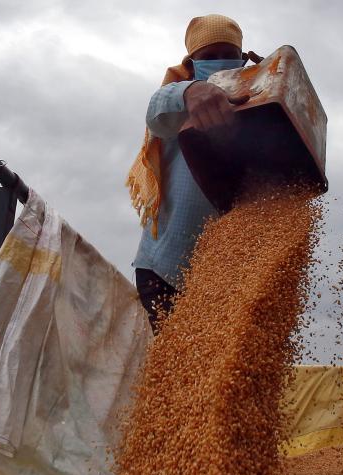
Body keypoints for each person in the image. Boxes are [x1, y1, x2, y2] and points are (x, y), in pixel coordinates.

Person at [127, 14, 253, 332]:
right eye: (209, 56)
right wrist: (192, 91)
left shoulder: (254, 100)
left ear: (242, 59)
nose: (220, 61)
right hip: (164, 268)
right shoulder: (179, 100)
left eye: (228, 54)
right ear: (192, 64)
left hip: (225, 276)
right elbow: (155, 110)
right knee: (173, 356)